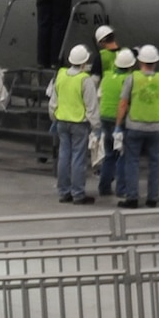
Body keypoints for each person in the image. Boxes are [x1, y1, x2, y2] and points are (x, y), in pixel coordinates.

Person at [116, 44, 159, 208]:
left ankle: (132, 198)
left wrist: (118, 126)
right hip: (155, 128)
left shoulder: (132, 78)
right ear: (155, 62)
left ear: (139, 61)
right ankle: (152, 198)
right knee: (155, 163)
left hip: (135, 126)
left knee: (132, 162)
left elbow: (123, 104)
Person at [51, 43, 101, 205]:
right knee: (78, 159)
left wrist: (53, 117)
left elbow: (53, 101)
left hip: (61, 121)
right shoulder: (85, 80)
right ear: (85, 63)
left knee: (63, 156)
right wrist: (97, 126)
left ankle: (64, 192)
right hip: (79, 123)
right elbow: (91, 106)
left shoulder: (61, 74)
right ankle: (78, 194)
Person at [95, 46, 135, 198]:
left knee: (109, 155)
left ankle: (104, 187)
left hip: (104, 117)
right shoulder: (127, 79)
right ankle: (121, 189)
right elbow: (125, 102)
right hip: (120, 120)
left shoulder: (107, 76)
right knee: (123, 156)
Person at [90, 25, 124, 189]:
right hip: (123, 105)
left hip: (105, 103)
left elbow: (94, 82)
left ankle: (104, 180)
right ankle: (121, 182)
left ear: (102, 41)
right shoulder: (124, 55)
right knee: (122, 150)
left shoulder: (100, 57)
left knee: (106, 147)